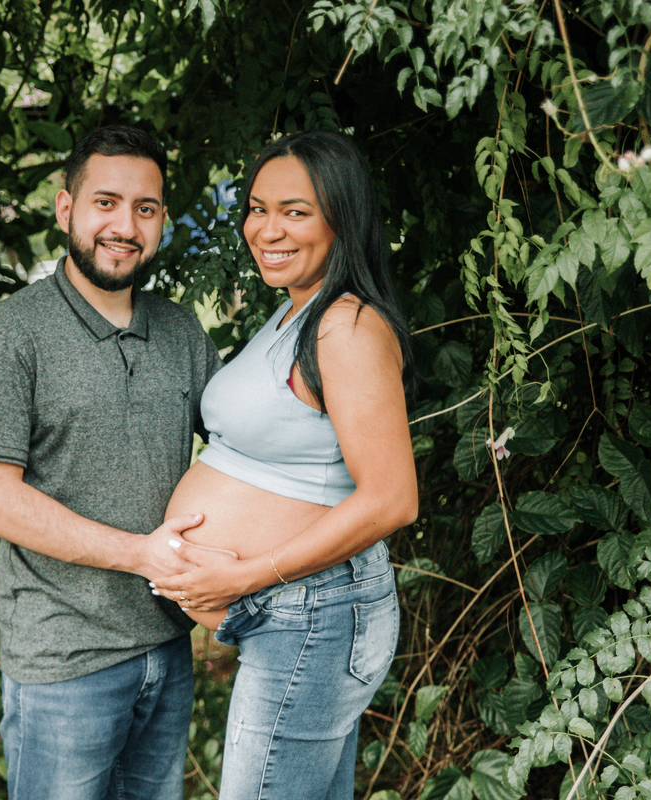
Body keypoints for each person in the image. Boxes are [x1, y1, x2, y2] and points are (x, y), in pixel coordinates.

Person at [152, 130, 419, 799]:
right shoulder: (296, 312)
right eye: (258, 208)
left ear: (341, 218)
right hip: (297, 616)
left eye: (294, 212)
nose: (267, 229)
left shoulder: (346, 328)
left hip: (313, 615)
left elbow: (392, 499)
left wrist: (244, 574)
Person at [0, 125, 221, 800]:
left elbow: (235, 457)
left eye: (145, 208)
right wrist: (142, 554)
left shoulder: (181, 331)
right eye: (106, 202)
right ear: (64, 207)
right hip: (64, 663)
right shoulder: (13, 334)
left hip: (167, 648)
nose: (124, 225)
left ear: (162, 219)